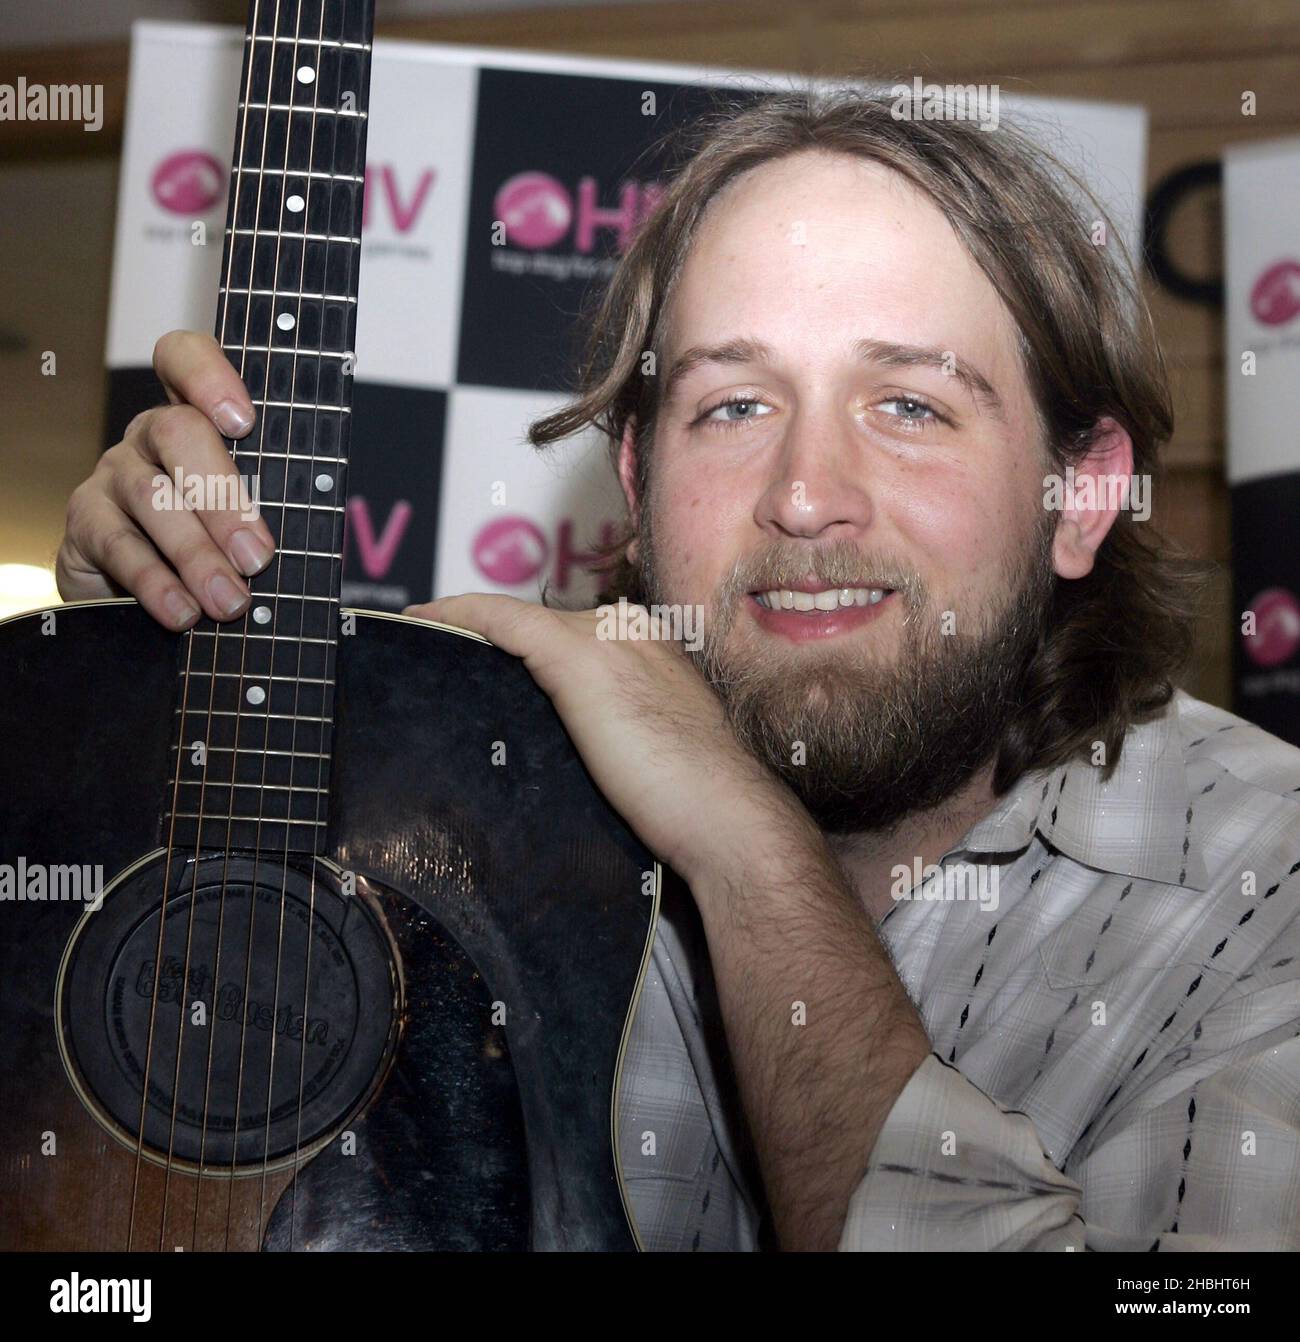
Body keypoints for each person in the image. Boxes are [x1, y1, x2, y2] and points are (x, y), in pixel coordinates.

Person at [57, 87, 1300, 1252]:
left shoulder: (1271, 888)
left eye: (911, 405)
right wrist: (123, 698)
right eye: (733, 407)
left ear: (1077, 496)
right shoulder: (467, 793)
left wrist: (747, 849)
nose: (806, 496)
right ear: (642, 491)